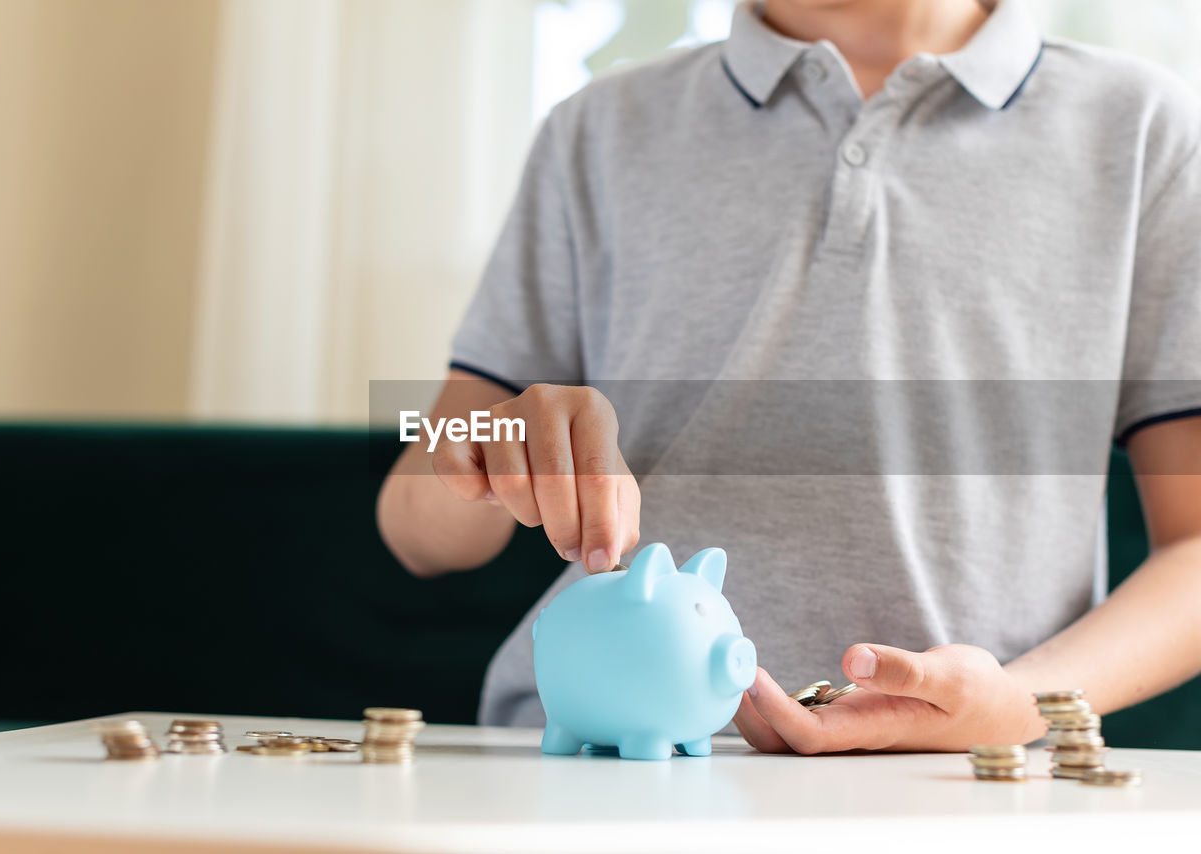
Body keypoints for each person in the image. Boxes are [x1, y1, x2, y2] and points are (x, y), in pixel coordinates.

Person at [377, 0, 1201, 753]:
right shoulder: (597, 128)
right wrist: (486, 443)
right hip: (597, 763)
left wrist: (1022, 704)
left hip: (969, 782)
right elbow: (412, 517)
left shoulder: (1143, 129)